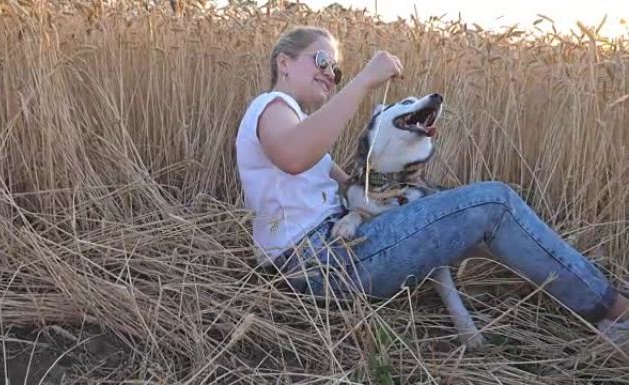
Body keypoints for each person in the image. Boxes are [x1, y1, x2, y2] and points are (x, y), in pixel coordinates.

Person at [234, 25, 629, 347]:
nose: (330, 74)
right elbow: (294, 157)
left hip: (333, 253)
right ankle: (614, 312)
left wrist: (407, 191)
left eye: (336, 70)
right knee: (495, 202)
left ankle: (552, 292)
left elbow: (345, 179)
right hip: (318, 262)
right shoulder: (270, 106)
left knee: (465, 212)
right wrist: (362, 81)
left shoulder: (297, 121)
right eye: (322, 60)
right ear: (283, 62)